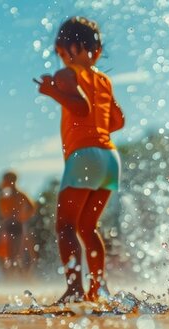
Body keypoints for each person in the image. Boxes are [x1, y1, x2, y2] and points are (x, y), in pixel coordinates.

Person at [37, 16, 125, 302]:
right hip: (110, 158)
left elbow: (81, 108)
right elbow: (118, 121)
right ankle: (98, 287)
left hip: (84, 156)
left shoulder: (67, 75)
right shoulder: (104, 80)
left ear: (73, 47)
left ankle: (75, 289)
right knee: (87, 228)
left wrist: (52, 92)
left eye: (62, 53)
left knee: (65, 226)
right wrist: (96, 132)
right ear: (97, 50)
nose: (62, 60)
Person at [0, 171, 37, 277]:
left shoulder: (19, 194)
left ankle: (19, 279)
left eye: (5, 180)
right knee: (10, 255)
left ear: (11, 181)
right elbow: (3, 213)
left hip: (18, 226)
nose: (3, 182)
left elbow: (31, 208)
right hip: (10, 226)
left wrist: (21, 217)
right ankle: (17, 279)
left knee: (16, 254)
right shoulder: (6, 195)